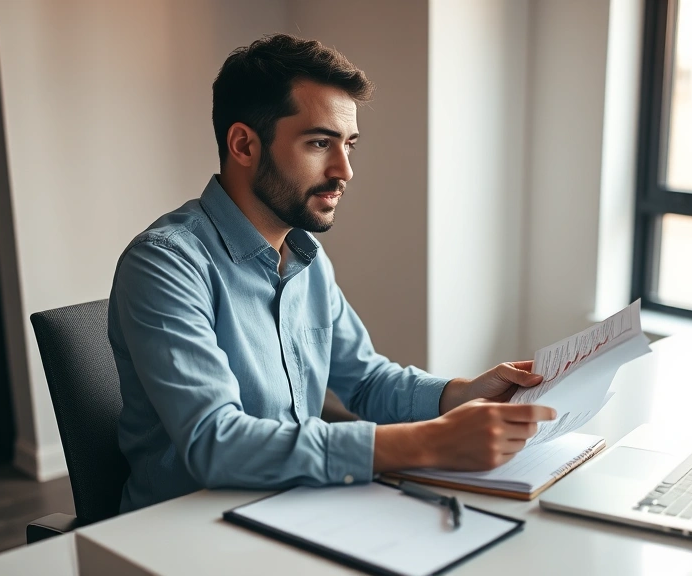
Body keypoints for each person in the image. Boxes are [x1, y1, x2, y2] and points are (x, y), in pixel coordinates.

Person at [108, 34, 555, 513]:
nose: (345, 170)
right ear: (243, 145)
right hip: (185, 533)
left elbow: (365, 381)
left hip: (296, 505)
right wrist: (427, 442)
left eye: (349, 145)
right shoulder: (165, 263)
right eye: (320, 142)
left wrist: (459, 395)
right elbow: (215, 442)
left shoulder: (307, 258)